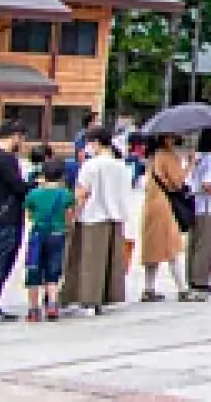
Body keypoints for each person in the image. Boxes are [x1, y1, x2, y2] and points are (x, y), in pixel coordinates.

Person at [61, 126, 129, 315]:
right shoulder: (121, 165)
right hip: (115, 217)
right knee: (108, 261)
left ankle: (88, 300)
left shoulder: (91, 165)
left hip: (92, 215)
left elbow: (82, 193)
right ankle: (103, 298)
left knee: (88, 261)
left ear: (96, 143)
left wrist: (73, 213)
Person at [141, 134, 205, 303]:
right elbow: (177, 182)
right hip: (164, 205)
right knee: (172, 246)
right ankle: (182, 289)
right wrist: (190, 164)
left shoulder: (152, 156)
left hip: (151, 203)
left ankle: (149, 288)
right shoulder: (168, 156)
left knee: (153, 246)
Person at [22, 155, 74, 322]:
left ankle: (33, 309)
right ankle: (52, 305)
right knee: (53, 271)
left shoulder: (33, 194)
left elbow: (29, 215)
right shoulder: (65, 194)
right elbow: (69, 215)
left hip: (37, 235)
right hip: (57, 235)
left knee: (33, 270)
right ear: (62, 176)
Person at [187, 128, 211, 293]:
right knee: (206, 244)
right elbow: (208, 184)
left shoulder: (197, 158)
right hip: (208, 206)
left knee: (194, 243)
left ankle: (193, 276)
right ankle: (201, 279)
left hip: (195, 205)